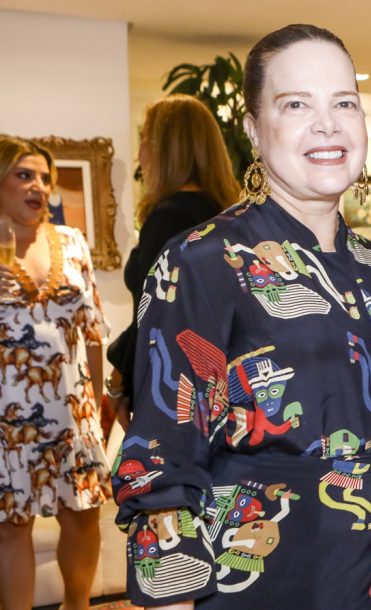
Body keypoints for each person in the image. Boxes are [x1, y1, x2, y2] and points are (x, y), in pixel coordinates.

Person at [112, 25, 371, 610]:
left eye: (344, 102)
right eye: (296, 104)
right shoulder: (203, 262)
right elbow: (160, 466)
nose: (327, 124)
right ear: (255, 127)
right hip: (266, 603)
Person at [0, 136, 116, 610]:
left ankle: (77, 609)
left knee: (84, 516)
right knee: (10, 527)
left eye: (43, 177)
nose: (39, 187)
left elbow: (93, 327)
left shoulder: (72, 241)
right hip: (6, 420)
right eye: (25, 176)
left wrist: (96, 401)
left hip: (71, 409)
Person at [105, 94, 240, 427]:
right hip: (222, 388)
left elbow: (152, 316)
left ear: (166, 149)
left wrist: (118, 382)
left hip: (173, 393)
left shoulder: (169, 218)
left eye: (145, 140)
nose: (140, 154)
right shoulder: (229, 217)